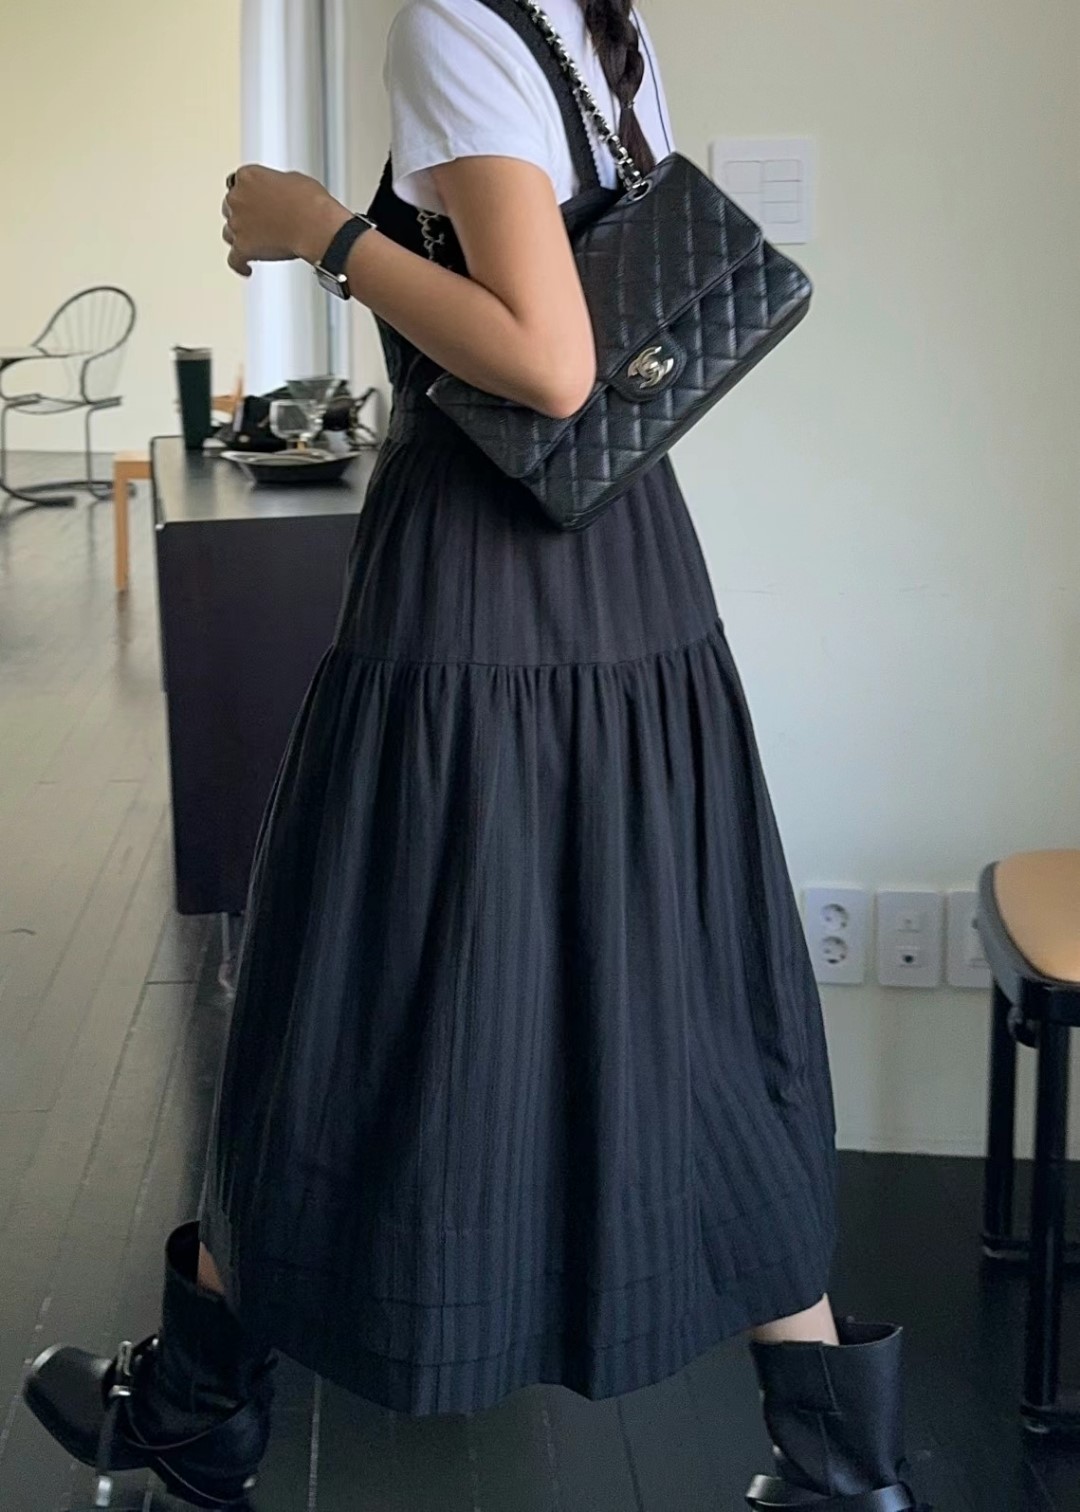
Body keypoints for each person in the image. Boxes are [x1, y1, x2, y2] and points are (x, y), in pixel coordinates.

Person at [23, 1, 930, 1508]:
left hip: (476, 583)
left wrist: (321, 231)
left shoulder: (453, 18)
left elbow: (549, 363)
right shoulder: (589, 22)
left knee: (345, 981)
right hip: (629, 565)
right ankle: (841, 1452)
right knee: (690, 995)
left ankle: (197, 1401)